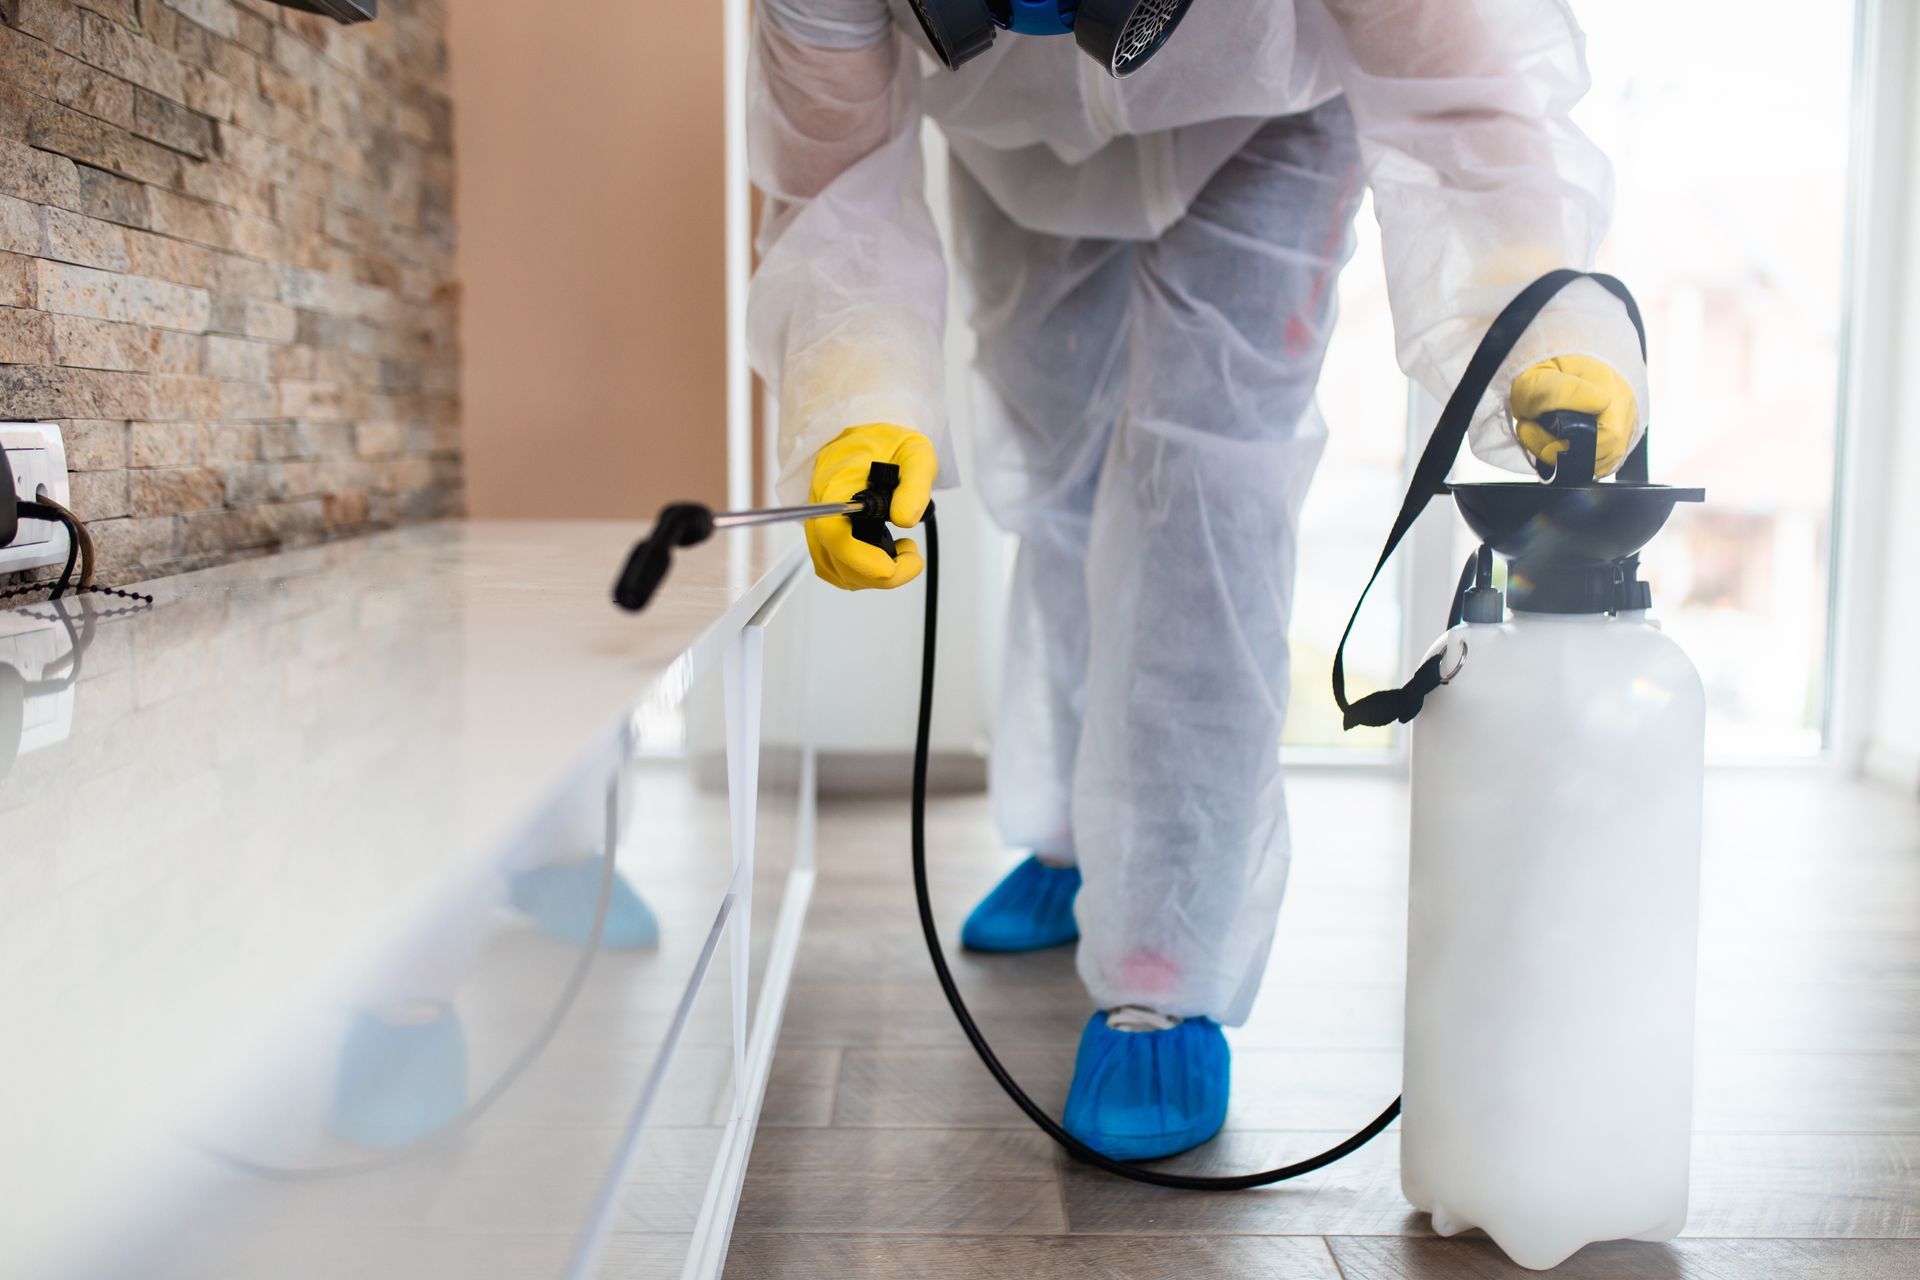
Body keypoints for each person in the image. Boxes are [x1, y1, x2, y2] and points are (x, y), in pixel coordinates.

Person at [748, 0, 1647, 1161]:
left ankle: (1162, 964)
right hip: (1021, 157)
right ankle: (1071, 831)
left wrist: (1537, 319)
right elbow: (835, 187)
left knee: (1206, 487)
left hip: (1267, 124)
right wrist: (858, 397)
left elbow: (1466, 108)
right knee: (1055, 469)